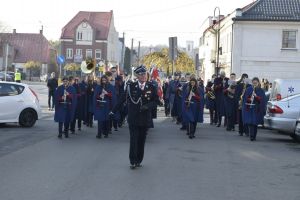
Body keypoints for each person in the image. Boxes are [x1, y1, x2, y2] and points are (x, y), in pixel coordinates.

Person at [111, 65, 158, 169]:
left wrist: (147, 106)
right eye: (141, 75)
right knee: (133, 139)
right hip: (133, 117)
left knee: (141, 140)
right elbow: (122, 99)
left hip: (145, 118)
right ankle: (133, 161)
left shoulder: (151, 86)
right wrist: (113, 111)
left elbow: (156, 101)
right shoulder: (130, 86)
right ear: (137, 76)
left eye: (144, 74)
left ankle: (139, 160)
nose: (143, 76)